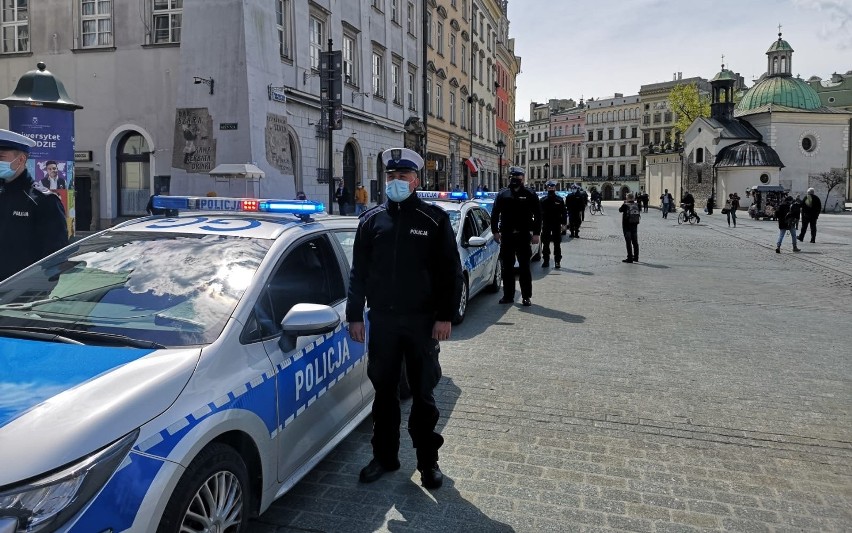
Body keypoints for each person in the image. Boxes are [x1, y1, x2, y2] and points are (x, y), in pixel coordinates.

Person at [346, 147, 463, 490]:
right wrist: (355, 316)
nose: (396, 181)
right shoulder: (371, 220)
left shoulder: (433, 219)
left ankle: (428, 463)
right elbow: (359, 274)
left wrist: (445, 317)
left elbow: (450, 273)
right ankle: (384, 457)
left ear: (415, 180)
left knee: (423, 395)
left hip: (421, 322)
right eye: (391, 176)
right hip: (382, 322)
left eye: (403, 176)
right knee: (384, 393)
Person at [0, 129, 69, 281]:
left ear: (21, 159)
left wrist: (36, 292)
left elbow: (55, 256)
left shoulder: (43, 200)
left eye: (1, 157)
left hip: (19, 294)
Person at [491, 166, 541, 306]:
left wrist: (536, 233)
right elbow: (495, 214)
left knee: (524, 267)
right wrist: (495, 231)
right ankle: (508, 296)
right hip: (507, 236)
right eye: (513, 178)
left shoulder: (530, 194)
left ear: (523, 179)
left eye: (518, 178)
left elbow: (538, 215)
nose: (515, 181)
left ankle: (526, 296)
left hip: (524, 236)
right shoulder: (503, 194)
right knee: (507, 267)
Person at [539, 180, 567, 268]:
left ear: (555, 188)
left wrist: (564, 224)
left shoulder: (559, 200)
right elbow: (539, 213)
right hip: (546, 224)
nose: (551, 189)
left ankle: (557, 261)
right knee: (546, 243)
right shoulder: (543, 200)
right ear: (547, 188)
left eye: (552, 187)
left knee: (557, 244)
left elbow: (564, 212)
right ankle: (546, 260)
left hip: (556, 224)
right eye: (549, 187)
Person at [618, 193, 640, 263]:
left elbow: (620, 210)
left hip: (626, 226)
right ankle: (636, 257)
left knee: (628, 242)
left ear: (627, 198)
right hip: (634, 225)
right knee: (635, 242)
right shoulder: (637, 204)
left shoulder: (625, 205)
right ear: (633, 198)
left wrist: (624, 203)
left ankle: (630, 257)